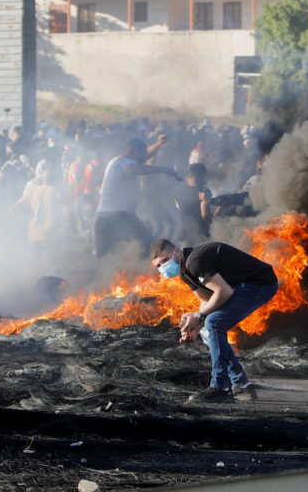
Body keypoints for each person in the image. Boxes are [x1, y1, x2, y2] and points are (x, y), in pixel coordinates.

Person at [148, 238, 279, 403]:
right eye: (158, 266)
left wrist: (200, 317)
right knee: (206, 328)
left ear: (177, 252)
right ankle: (241, 384)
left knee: (214, 323)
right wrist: (194, 322)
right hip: (237, 287)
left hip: (259, 283)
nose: (163, 267)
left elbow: (223, 292)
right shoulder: (184, 272)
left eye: (165, 260)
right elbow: (206, 301)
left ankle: (220, 386)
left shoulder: (195, 261)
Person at [93, 137, 180, 258]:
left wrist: (159, 144)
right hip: (119, 216)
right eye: (142, 154)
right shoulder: (124, 163)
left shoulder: (115, 162)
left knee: (106, 257)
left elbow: (141, 159)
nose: (144, 158)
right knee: (149, 246)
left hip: (100, 218)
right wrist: (162, 169)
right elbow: (133, 169)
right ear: (135, 152)